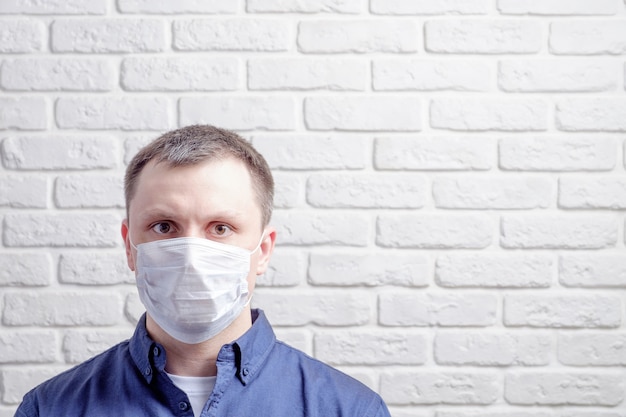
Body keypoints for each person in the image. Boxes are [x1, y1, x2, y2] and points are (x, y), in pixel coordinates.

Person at [14, 125, 391, 417]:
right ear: (130, 246)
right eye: (164, 226)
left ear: (262, 250)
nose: (192, 256)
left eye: (220, 228)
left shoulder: (348, 409)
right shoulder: (50, 408)